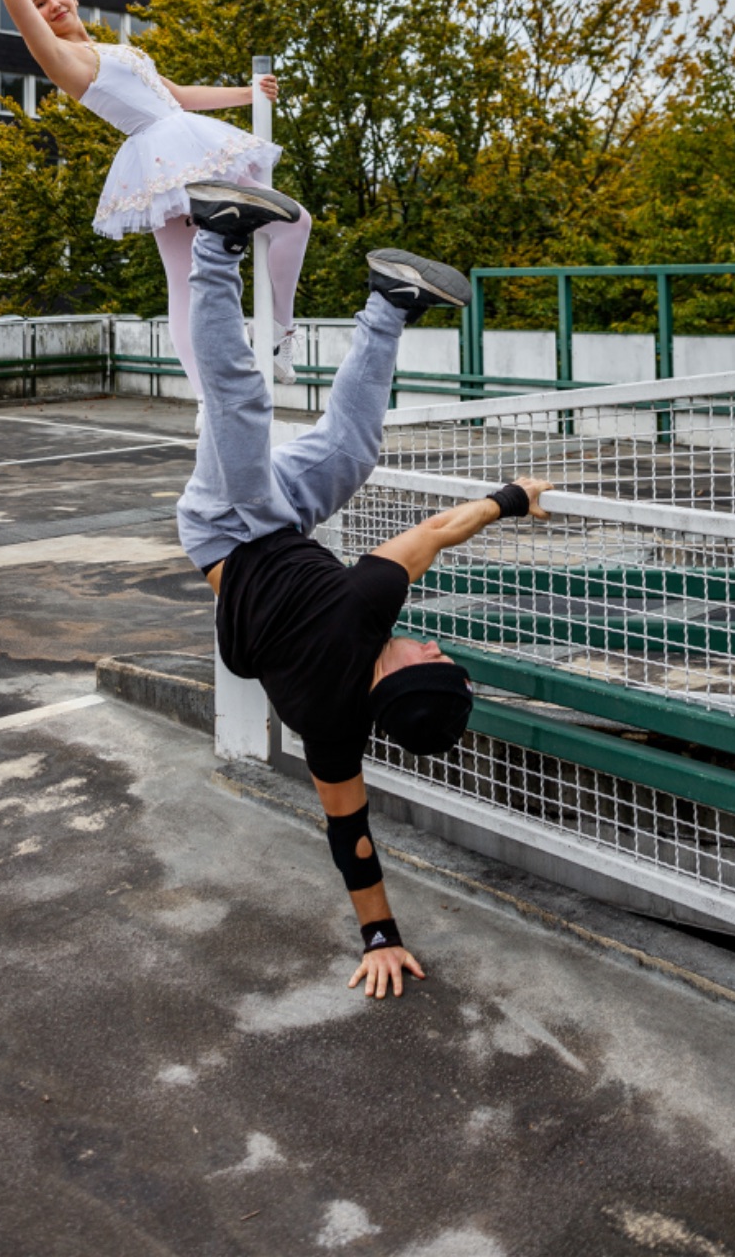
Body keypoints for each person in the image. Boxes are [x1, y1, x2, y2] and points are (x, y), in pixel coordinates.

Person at [177, 179, 551, 1000]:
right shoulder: (334, 732)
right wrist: (380, 935)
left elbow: (437, 532)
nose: (434, 644)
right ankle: (389, 301)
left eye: (432, 656)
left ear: (394, 674)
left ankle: (215, 237)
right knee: (351, 452)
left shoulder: (362, 615)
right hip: (281, 527)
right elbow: (349, 831)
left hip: (225, 524)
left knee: (237, 404)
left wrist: (510, 499)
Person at [0, 0, 311, 393]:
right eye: (41, 2)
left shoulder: (108, 48)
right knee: (190, 279)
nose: (51, 4)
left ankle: (277, 334)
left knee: (292, 223)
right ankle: (210, 397)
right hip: (161, 157)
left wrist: (247, 95)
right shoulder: (61, 57)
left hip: (180, 139)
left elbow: (176, 96)